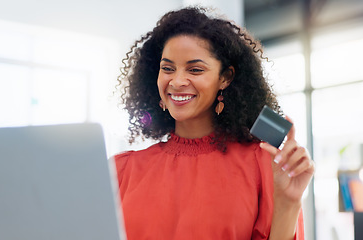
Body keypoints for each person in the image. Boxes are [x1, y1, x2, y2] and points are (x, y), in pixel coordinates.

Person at [113, 6, 314, 240]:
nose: (177, 81)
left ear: (225, 78)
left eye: (195, 69)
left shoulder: (264, 165)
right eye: (167, 68)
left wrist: (289, 203)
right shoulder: (122, 171)